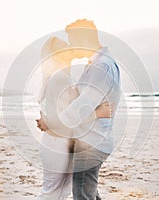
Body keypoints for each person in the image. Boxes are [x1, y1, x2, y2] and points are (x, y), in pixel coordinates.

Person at [37, 19, 121, 200]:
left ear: (84, 40)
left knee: (82, 194)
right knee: (82, 192)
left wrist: (49, 122)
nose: (72, 48)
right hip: (82, 141)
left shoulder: (101, 65)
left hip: (91, 143)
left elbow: (78, 110)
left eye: (73, 43)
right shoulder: (95, 64)